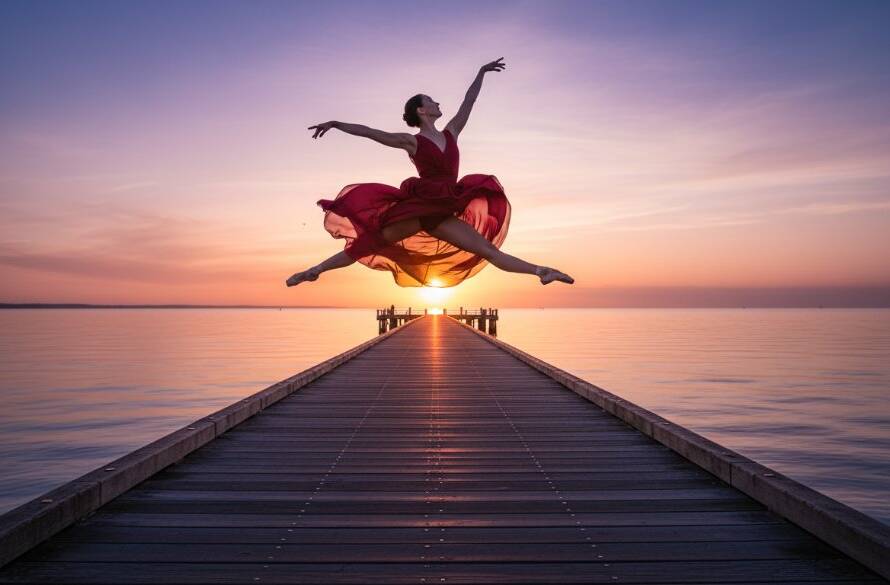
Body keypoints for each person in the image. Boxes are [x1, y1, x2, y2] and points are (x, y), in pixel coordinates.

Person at [287, 57, 574, 288]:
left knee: (487, 251)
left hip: (444, 209)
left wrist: (481, 73)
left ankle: (542, 271)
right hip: (419, 208)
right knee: (366, 244)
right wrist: (336, 123)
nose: (438, 104)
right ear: (422, 111)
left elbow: (469, 102)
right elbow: (372, 133)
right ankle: (315, 270)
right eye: (432, 101)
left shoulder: (451, 133)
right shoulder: (412, 141)